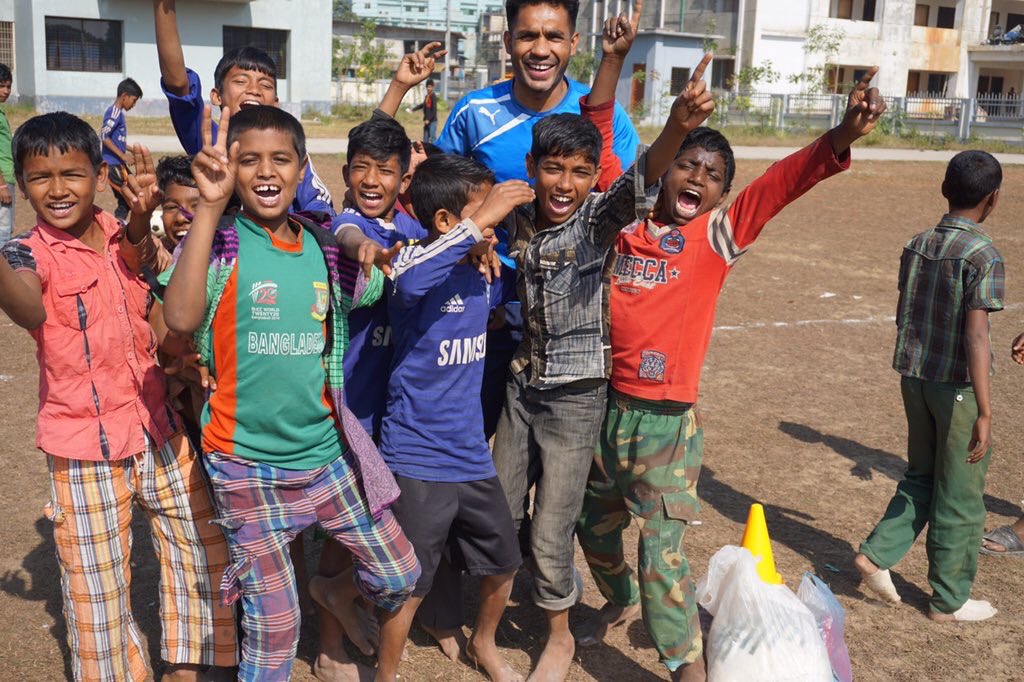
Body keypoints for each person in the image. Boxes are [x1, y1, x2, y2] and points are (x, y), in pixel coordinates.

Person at [573, 18, 886, 676]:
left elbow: (782, 182)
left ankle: (687, 663)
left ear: (721, 192)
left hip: (666, 429)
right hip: (604, 414)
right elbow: (600, 135)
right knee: (592, 531)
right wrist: (614, 59)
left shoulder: (717, 236)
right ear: (662, 173)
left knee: (662, 557)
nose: (696, 175)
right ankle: (618, 600)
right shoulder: (624, 222)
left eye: (712, 173)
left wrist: (842, 134)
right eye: (685, 163)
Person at [163, 104, 420, 680]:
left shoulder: (323, 247)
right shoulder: (221, 242)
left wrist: (365, 245)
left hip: (326, 459)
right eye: (246, 159)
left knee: (401, 572)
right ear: (227, 168)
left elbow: (373, 264)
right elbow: (179, 319)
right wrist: (207, 206)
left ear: (303, 169)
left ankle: (333, 590)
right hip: (245, 467)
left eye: (280, 159)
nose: (264, 171)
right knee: (275, 632)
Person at [488, 50, 715, 678]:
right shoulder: (518, 217)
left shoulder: (597, 220)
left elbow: (641, 179)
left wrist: (676, 127)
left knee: (552, 526)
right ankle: (491, 614)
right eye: (553, 169)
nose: (565, 184)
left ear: (593, 178)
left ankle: (557, 633)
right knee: (501, 512)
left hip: (576, 400)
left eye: (580, 172)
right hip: (521, 387)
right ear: (531, 168)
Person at [0, 112, 237, 682]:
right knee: (96, 589)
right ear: (22, 185)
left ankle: (192, 664)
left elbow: (155, 295)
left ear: (99, 175)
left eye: (72, 174)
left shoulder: (122, 231)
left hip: (157, 430)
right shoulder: (22, 254)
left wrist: (138, 225)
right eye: (40, 178)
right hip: (84, 449)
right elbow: (28, 309)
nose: (57, 190)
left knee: (201, 550)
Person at [375, 154, 529, 682]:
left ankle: (484, 643)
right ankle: (386, 673)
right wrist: (478, 226)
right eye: (482, 208)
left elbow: (516, 282)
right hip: (417, 455)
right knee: (409, 583)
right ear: (446, 222)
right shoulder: (413, 265)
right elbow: (410, 278)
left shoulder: (484, 266)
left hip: (469, 454)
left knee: (504, 560)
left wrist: (484, 239)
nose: (493, 221)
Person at [854, 150, 1005, 623]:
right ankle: (948, 600)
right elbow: (976, 335)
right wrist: (985, 410)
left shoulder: (917, 244)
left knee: (921, 476)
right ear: (993, 199)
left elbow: (905, 313)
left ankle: (875, 556)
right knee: (960, 493)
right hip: (957, 388)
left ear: (945, 188)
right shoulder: (983, 254)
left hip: (915, 379)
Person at [152, 0, 334, 216]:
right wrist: (163, 7)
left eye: (265, 85)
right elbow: (178, 85)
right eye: (241, 81)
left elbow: (320, 210)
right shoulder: (210, 141)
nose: (254, 90)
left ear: (275, 102)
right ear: (217, 96)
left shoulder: (289, 148)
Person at [437, 0, 640, 183]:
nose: (540, 51)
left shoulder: (604, 116)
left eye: (554, 37)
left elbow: (631, 196)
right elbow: (435, 191)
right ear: (508, 42)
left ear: (573, 43)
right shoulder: (474, 112)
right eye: (527, 36)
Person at [101, 77, 143, 221]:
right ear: (124, 96)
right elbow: (104, 136)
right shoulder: (114, 112)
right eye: (134, 100)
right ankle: (119, 227)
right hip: (113, 164)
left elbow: (116, 140)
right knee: (126, 200)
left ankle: (124, 224)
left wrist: (131, 149)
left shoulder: (119, 114)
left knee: (135, 190)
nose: (134, 104)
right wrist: (123, 156)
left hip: (119, 163)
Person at [0, 63, 13, 243]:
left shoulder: (2, 112)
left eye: (9, 86)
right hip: (2, 179)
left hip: (7, 176)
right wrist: (1, 184)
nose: (6, 91)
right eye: (1, 85)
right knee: (3, 230)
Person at [411, 78, 439, 143]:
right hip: (426, 120)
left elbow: (434, 110)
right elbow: (422, 105)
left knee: (432, 137)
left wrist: (428, 119)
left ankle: (435, 152)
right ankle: (426, 151)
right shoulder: (427, 96)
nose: (428, 88)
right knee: (425, 138)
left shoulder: (433, 96)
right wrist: (413, 109)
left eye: (430, 87)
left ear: (433, 87)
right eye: (427, 87)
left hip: (432, 121)